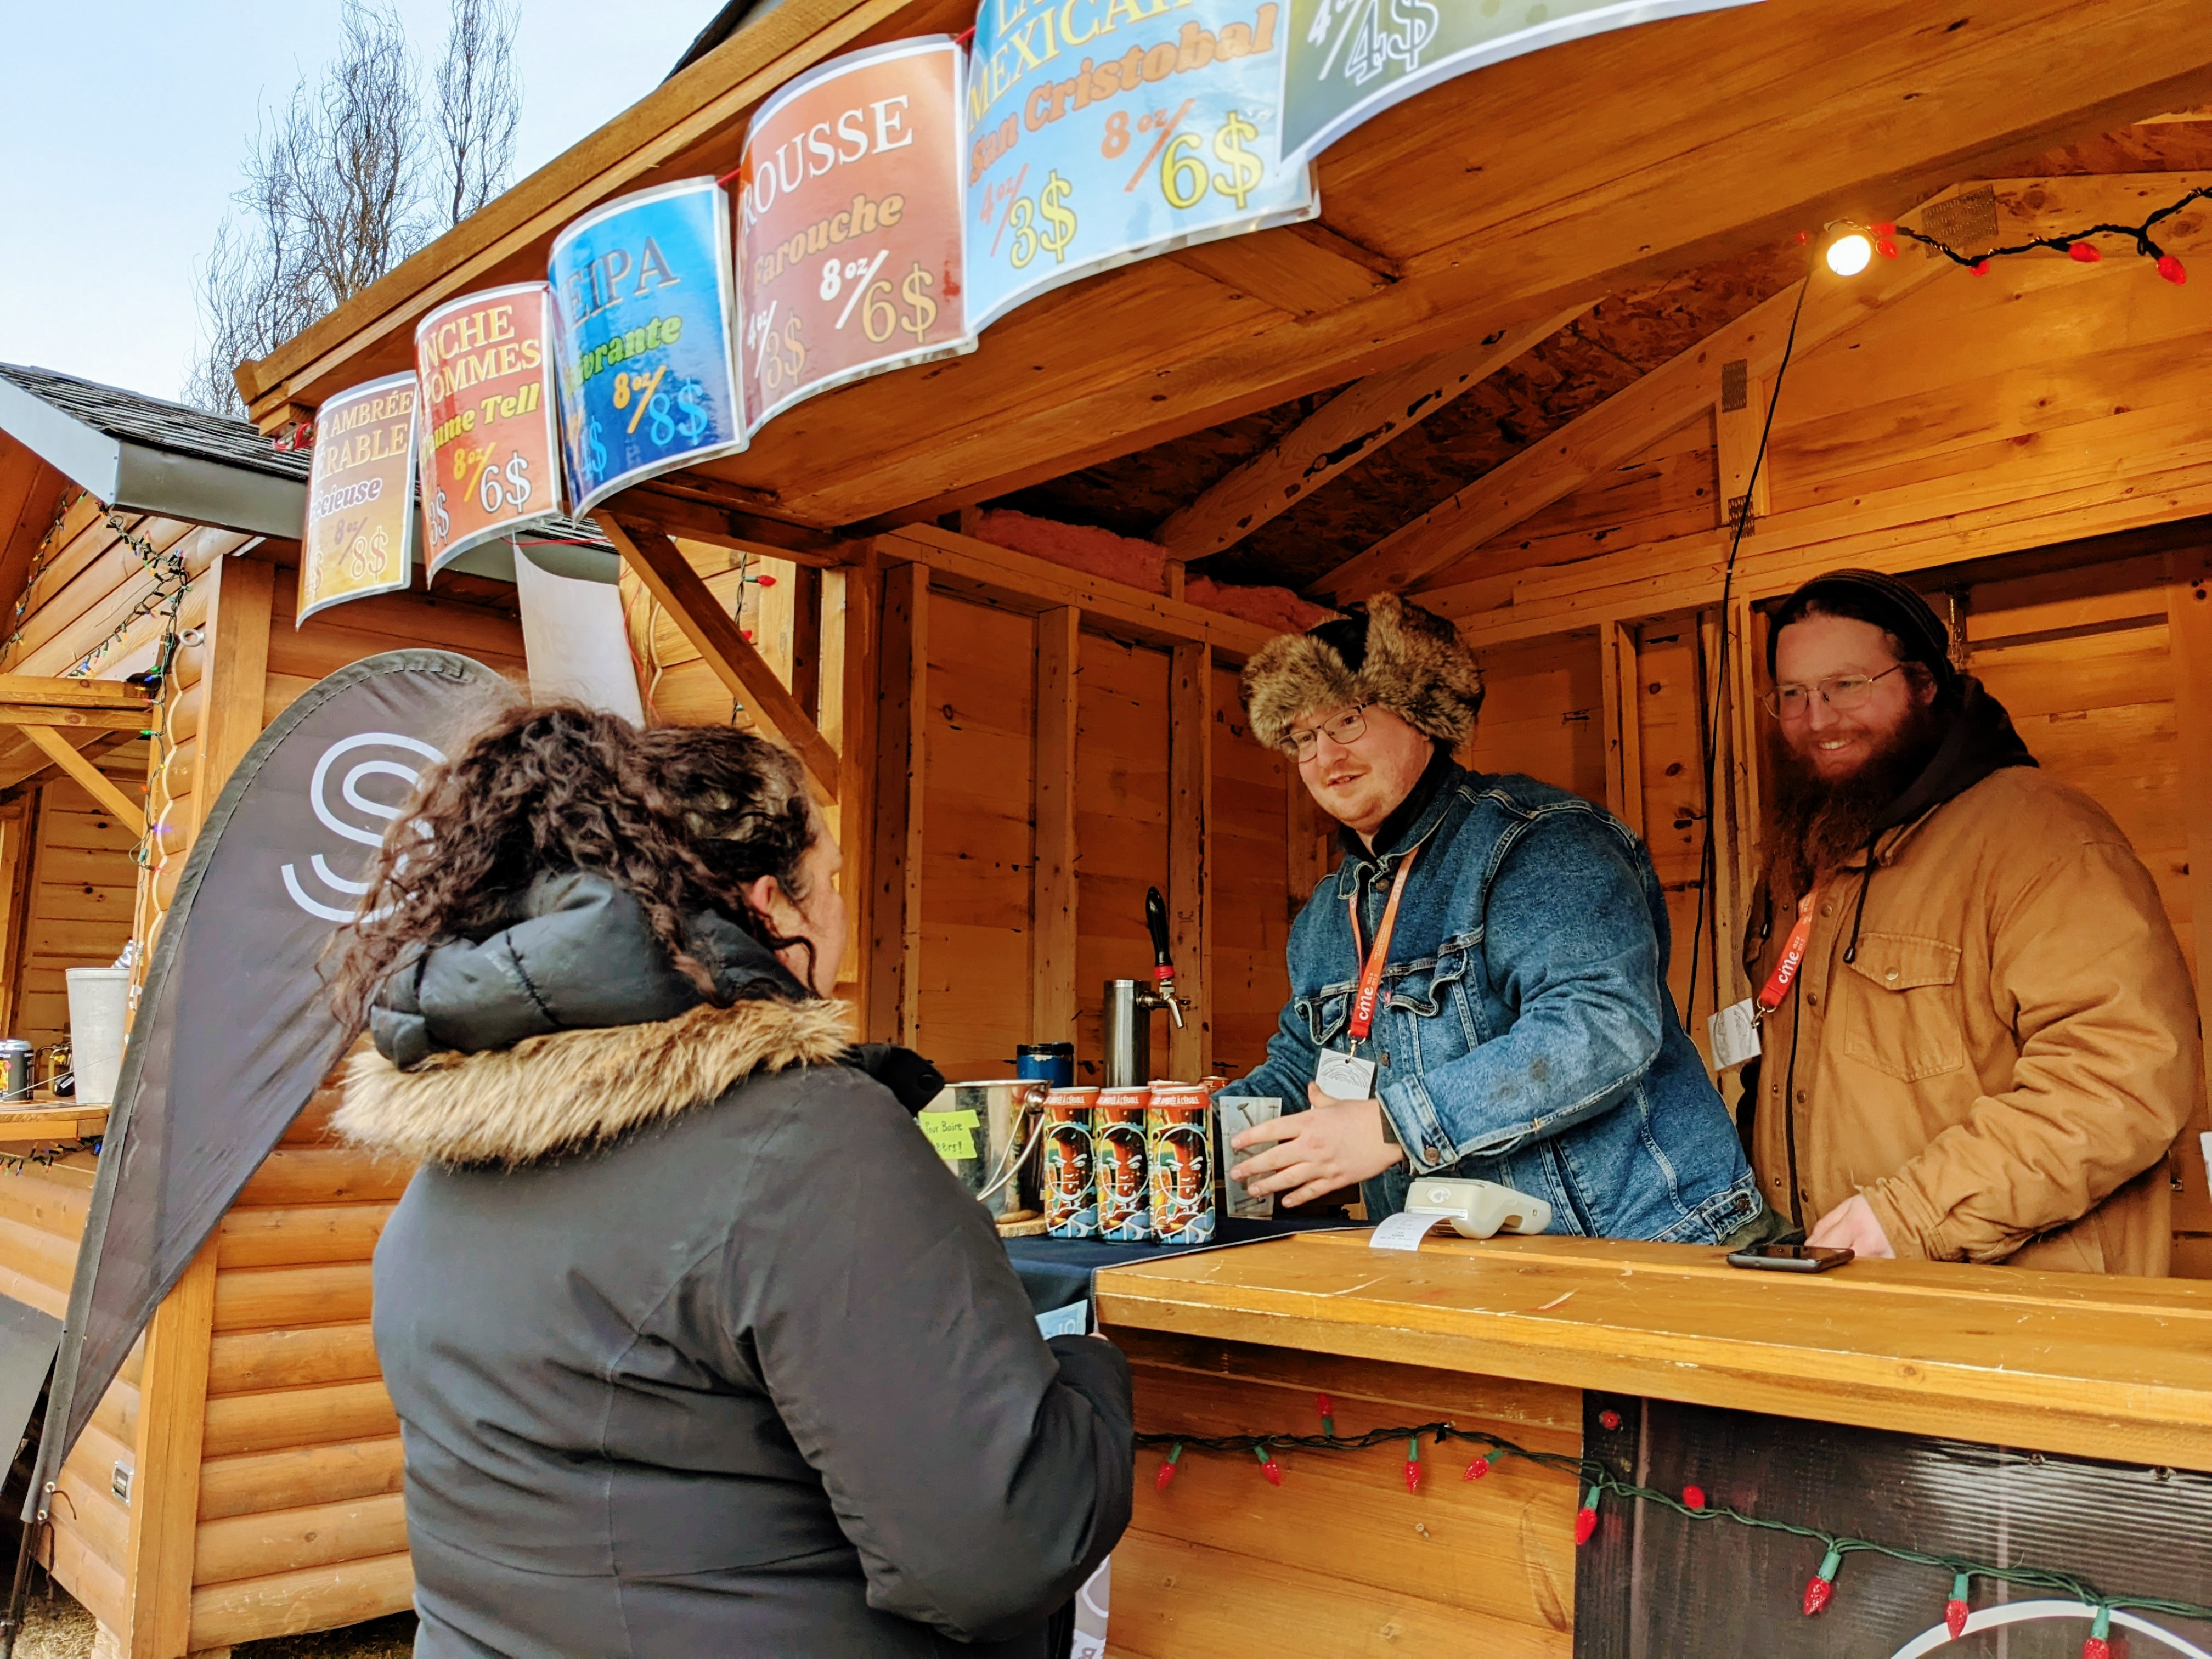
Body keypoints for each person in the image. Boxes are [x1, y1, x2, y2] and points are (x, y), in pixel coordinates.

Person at [330, 707, 1131, 1658]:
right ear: (773, 907)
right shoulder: (806, 1138)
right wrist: (1092, 1376)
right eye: (829, 880)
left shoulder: (451, 1163)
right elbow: (1001, 1550)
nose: (840, 907)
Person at [1223, 594, 1768, 1243]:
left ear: (1422, 715)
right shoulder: (1323, 918)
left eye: (1347, 719)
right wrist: (1182, 1139)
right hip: (1470, 1264)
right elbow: (1301, 1068)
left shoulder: (1541, 843)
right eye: (1303, 737)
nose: (1325, 756)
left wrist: (1394, 1126)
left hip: (1659, 1244)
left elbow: (1600, 1025)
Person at [1742, 570, 2202, 1274]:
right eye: (1794, 697)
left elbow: (2123, 1076)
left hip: (2024, 1328)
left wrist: (1912, 1214)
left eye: (1847, 686)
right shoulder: (1812, 854)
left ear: (1926, 684)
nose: (1819, 720)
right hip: (1847, 1305)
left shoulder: (2041, 837)